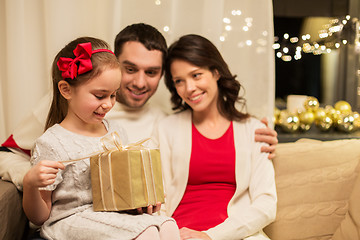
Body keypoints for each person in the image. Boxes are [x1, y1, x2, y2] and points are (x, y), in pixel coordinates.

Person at [1, 23, 277, 188]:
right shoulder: (69, 103)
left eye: (152, 72)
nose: (139, 82)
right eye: (130, 69)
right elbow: (6, 153)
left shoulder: (165, 118)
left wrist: (256, 135)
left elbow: (212, 131)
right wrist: (30, 179)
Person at [22, 37, 180, 240]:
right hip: (69, 221)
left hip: (109, 215)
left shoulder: (115, 131)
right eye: (100, 95)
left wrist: (141, 203)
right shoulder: (52, 143)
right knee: (146, 233)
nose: (108, 104)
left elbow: (120, 191)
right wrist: (30, 184)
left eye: (113, 95)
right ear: (66, 90)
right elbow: (40, 217)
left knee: (167, 225)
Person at [157, 34, 277, 240]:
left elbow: (266, 204)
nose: (189, 88)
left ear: (216, 72)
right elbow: (158, 200)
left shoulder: (254, 130)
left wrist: (211, 236)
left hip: (235, 235)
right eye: (179, 81)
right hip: (179, 234)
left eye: (196, 75)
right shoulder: (166, 128)